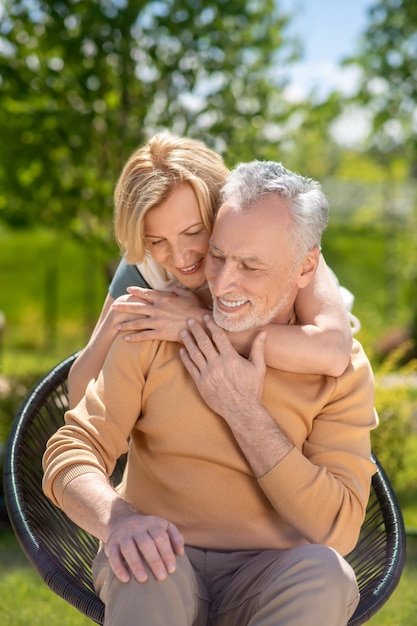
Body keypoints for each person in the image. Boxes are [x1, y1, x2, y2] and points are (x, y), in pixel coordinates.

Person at [43, 160, 378, 626]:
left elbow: (338, 529)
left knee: (328, 573)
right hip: (160, 558)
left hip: (272, 573)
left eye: (250, 266)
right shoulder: (160, 322)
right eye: (217, 256)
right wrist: (116, 519)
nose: (221, 284)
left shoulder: (339, 367)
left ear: (305, 267)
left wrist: (244, 412)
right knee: (148, 573)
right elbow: (72, 449)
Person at [68, 133, 355, 407]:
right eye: (157, 241)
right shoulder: (146, 265)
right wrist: (113, 324)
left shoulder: (277, 243)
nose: (180, 258)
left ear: (219, 210)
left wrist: (194, 325)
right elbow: (79, 393)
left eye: (193, 232)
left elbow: (332, 351)